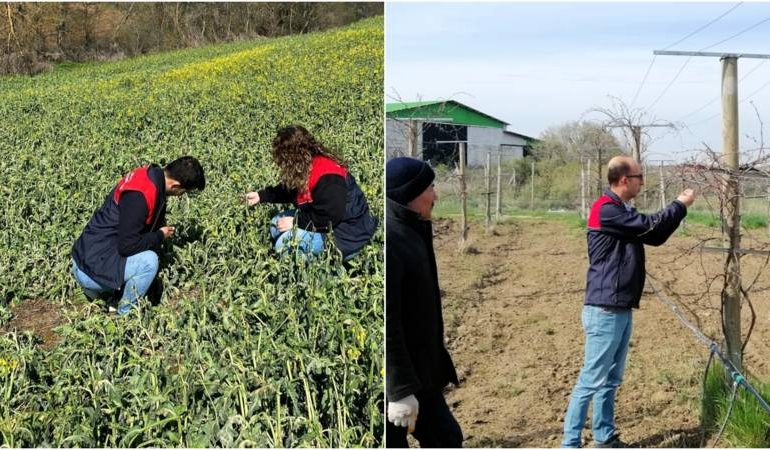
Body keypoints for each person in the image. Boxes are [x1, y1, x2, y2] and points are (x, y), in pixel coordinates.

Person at [561, 155, 695, 448]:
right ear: (624, 180)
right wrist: (680, 204)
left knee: (610, 380)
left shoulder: (619, 210)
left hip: (619, 306)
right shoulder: (607, 210)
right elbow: (652, 226)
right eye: (639, 177)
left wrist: (677, 210)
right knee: (590, 380)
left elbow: (655, 236)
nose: (642, 182)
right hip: (605, 309)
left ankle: (605, 437)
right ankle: (570, 444)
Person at [385, 156, 462, 448]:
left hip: (422, 374)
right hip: (398, 381)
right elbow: (387, 322)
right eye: (430, 187)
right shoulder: (391, 241)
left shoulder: (413, 230)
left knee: (446, 438)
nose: (436, 195)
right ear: (411, 194)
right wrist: (399, 391)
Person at [72, 156, 205, 316]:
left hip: (89, 254)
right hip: (89, 271)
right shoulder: (140, 196)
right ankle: (123, 314)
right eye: (182, 193)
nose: (180, 196)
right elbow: (127, 246)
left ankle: (105, 292)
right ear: (175, 185)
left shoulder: (148, 175)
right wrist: (159, 235)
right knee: (149, 262)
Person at [244, 125, 377, 261]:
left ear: (291, 157)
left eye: (281, 158)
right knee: (275, 224)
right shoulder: (306, 165)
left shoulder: (328, 177)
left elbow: (330, 217)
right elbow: (290, 189)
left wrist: (296, 222)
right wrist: (261, 196)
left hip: (347, 234)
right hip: (325, 220)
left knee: (284, 246)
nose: (279, 163)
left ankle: (321, 271)